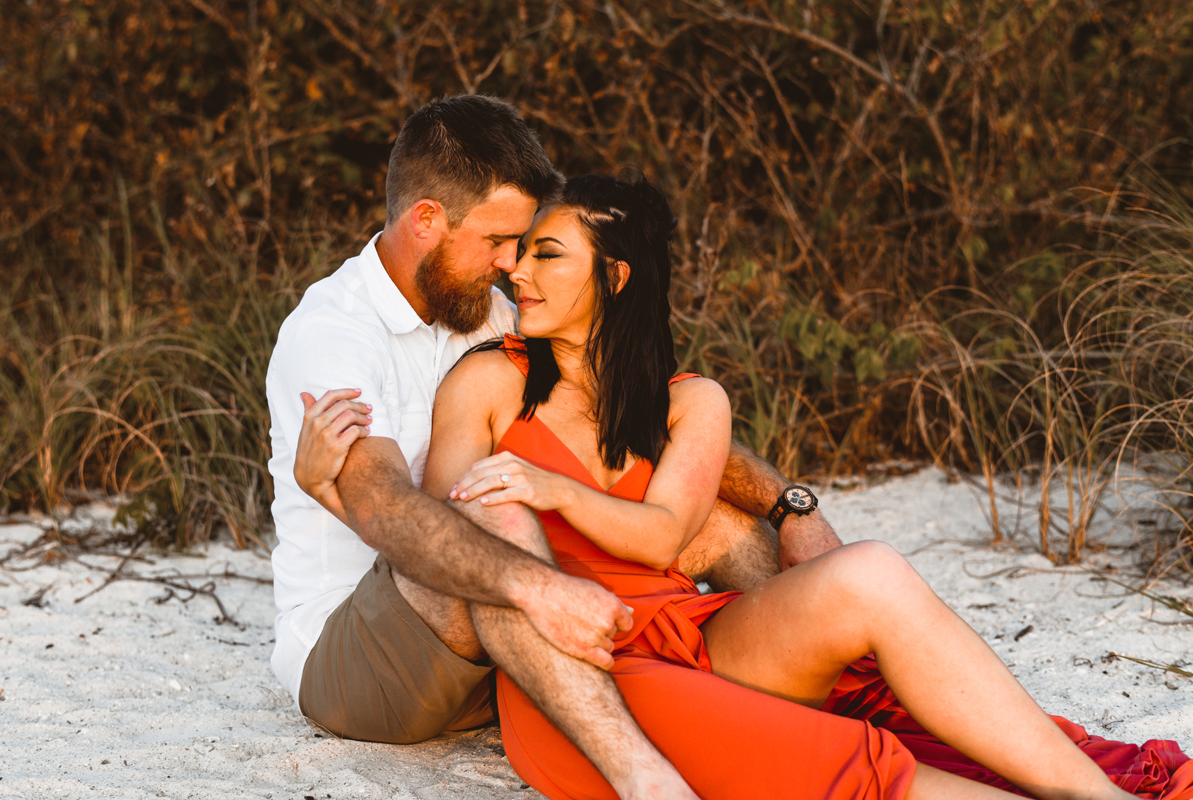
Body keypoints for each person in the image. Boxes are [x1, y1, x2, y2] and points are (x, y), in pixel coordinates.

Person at [298, 172, 1193, 800]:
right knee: (852, 759)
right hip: (587, 665)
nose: (516, 274)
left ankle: (1089, 792)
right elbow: (461, 542)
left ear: (615, 277)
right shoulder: (488, 381)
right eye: (519, 254)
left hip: (692, 629)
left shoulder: (693, 403)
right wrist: (345, 491)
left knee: (873, 569)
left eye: (546, 257)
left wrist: (557, 487)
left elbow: (660, 537)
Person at [266, 94, 837, 800]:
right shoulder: (334, 335)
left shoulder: (492, 309)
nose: (514, 264)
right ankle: (641, 776)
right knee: (492, 518)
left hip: (500, 643)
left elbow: (644, 425)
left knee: (711, 520)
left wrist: (791, 506)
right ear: (427, 221)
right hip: (365, 658)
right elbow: (385, 508)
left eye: (528, 243)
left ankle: (824, 674)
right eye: (500, 241)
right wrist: (546, 586)